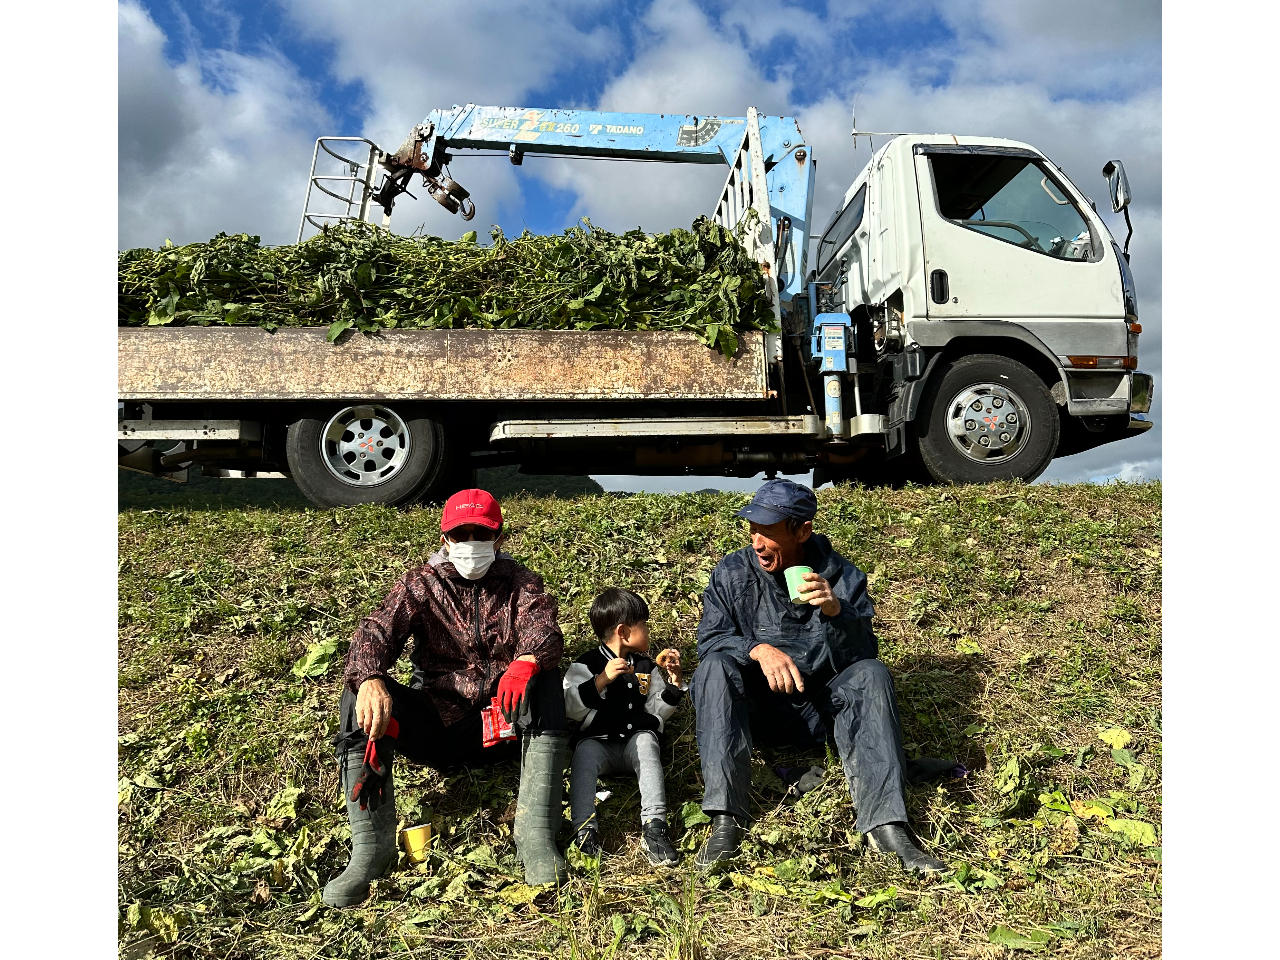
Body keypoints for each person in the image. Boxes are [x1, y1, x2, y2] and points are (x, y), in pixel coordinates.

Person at [322, 489, 570, 908]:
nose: (471, 542)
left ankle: (535, 834)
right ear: (445, 539)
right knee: (358, 695)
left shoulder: (521, 582)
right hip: (437, 724)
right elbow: (376, 632)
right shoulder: (421, 584)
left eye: (481, 533)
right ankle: (371, 848)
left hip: (502, 723)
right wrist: (369, 677)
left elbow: (543, 627)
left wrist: (527, 660)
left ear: (500, 538)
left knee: (546, 680)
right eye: (461, 533)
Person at [690, 478, 948, 875]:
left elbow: (862, 655)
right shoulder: (732, 572)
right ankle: (727, 820)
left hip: (821, 713)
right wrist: (756, 649)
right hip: (757, 711)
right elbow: (709, 640)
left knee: (872, 673)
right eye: (753, 530)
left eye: (769, 532)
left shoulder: (843, 576)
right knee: (713, 668)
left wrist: (835, 610)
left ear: (803, 531)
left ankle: (887, 828)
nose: (757, 542)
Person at [563, 588, 684, 867]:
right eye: (644, 624)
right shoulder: (587, 664)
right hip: (599, 742)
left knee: (646, 740)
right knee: (584, 754)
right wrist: (601, 681)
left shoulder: (645, 666)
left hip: (633, 745)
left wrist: (674, 684)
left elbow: (655, 710)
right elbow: (570, 706)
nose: (649, 630)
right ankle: (584, 829)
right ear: (624, 631)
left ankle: (654, 825)